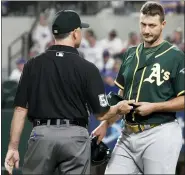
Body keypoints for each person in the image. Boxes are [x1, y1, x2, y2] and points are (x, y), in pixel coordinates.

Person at [4, 10, 134, 175]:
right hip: (75, 136)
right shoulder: (87, 68)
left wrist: (13, 147)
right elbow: (102, 115)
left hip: (41, 134)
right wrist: (119, 108)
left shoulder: (32, 65)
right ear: (75, 33)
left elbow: (20, 109)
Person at [92, 1, 184, 174]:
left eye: (152, 25)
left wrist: (155, 106)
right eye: (143, 24)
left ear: (163, 25)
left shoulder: (176, 56)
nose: (146, 30)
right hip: (127, 134)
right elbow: (120, 97)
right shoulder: (130, 53)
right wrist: (105, 124)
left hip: (159, 133)